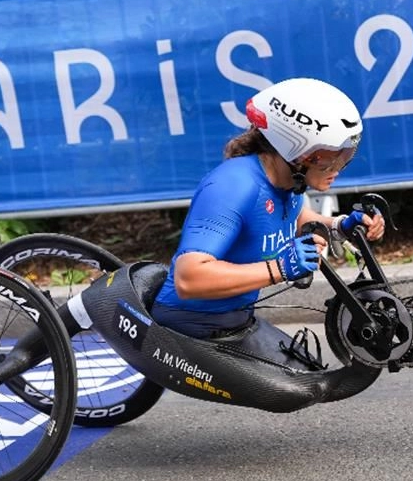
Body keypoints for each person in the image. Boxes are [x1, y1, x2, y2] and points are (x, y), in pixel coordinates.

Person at [150, 78, 385, 340]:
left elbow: (281, 218)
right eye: (328, 157)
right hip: (187, 326)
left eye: (345, 155)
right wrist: (281, 268)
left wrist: (338, 226)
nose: (337, 169)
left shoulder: (287, 181)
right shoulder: (233, 186)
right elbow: (188, 279)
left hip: (235, 320)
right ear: (293, 149)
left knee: (316, 377)